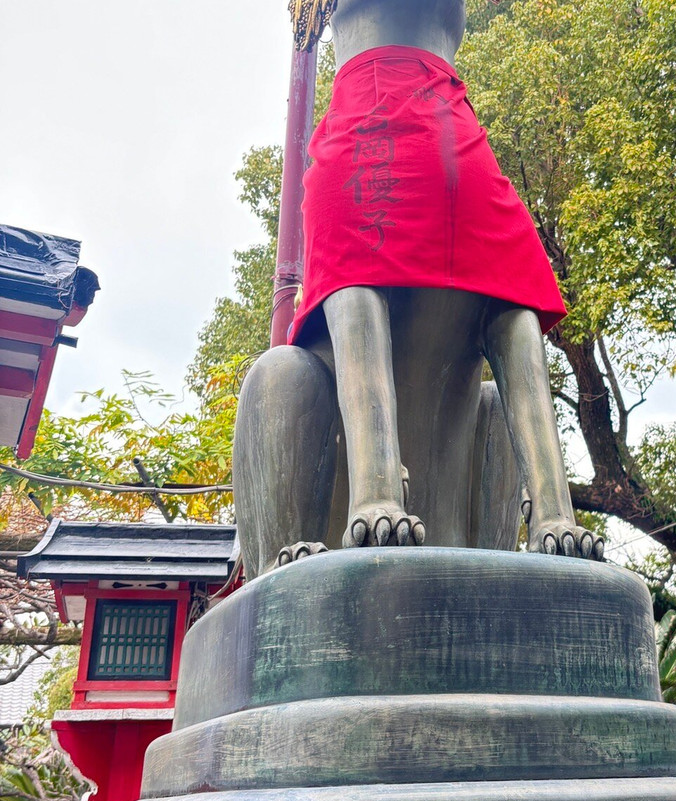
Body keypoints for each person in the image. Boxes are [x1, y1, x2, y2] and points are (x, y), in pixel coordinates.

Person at [232, 0, 602, 577]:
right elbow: (352, 303)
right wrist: (377, 499)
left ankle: (549, 518)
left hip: (446, 111)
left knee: (503, 356)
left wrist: (556, 513)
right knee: (281, 372)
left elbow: (512, 316)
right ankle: (325, 526)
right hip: (332, 528)